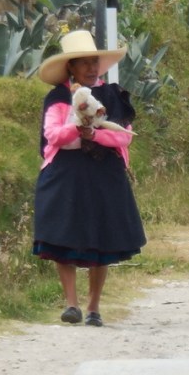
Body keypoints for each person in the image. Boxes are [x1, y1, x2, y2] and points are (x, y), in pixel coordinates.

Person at [33, 29, 146, 327]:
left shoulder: (112, 95)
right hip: (66, 175)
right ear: (71, 67)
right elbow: (52, 136)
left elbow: (124, 138)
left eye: (94, 62)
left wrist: (94, 134)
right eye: (84, 63)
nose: (91, 68)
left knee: (103, 239)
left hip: (104, 174)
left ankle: (94, 306)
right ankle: (72, 304)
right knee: (62, 235)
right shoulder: (57, 98)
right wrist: (76, 128)